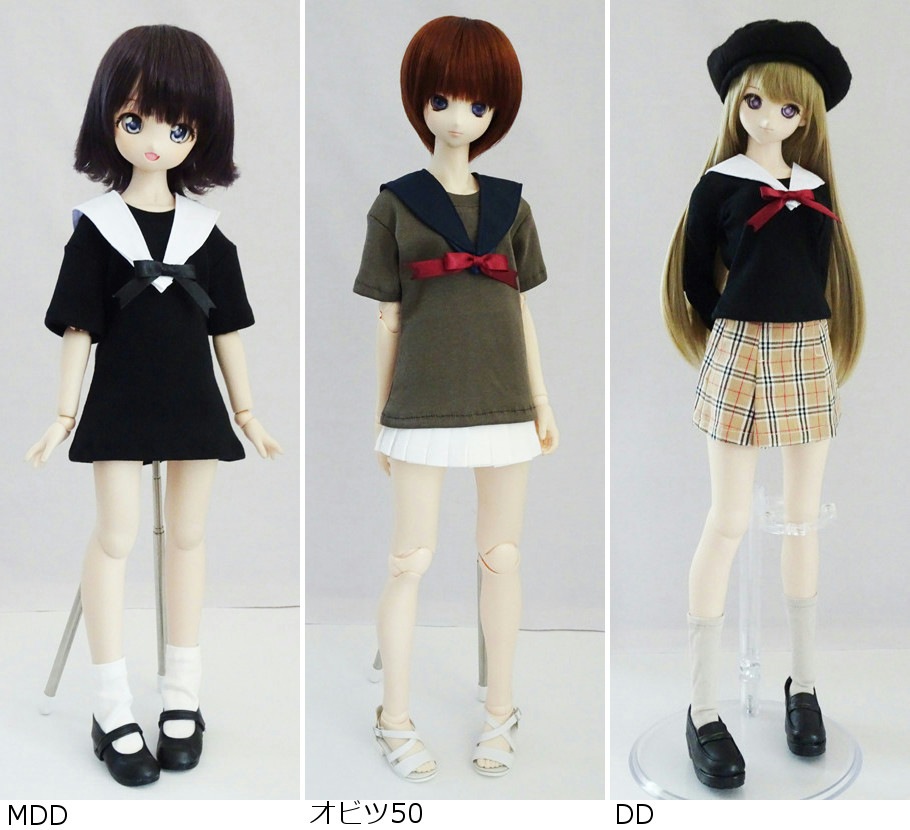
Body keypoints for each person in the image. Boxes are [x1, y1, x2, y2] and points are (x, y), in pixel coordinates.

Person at [26, 24, 281, 787]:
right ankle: (110, 704)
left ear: (199, 134)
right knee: (116, 538)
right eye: (135, 120)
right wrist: (63, 413)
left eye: (177, 127)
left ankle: (181, 695)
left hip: (193, 403)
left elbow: (227, 329)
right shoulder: (97, 231)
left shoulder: (208, 237)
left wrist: (247, 411)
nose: (154, 141)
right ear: (109, 119)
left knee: (188, 538)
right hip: (119, 403)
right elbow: (79, 327)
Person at [353, 16, 558, 781]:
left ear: (495, 110)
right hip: (423, 402)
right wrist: (383, 417)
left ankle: (501, 709)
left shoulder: (512, 206)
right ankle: (394, 716)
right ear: (421, 101)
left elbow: (520, 308)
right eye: (443, 99)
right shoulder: (396, 204)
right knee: (409, 560)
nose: (458, 118)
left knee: (502, 556)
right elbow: (387, 318)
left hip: (505, 399)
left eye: (477, 103)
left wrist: (542, 399)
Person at [661, 19, 864, 790]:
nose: (770, 118)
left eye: (787, 108)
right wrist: (729, 327)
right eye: (755, 102)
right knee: (729, 519)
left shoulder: (815, 192)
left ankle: (803, 685)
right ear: (735, 105)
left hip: (807, 352)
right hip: (741, 350)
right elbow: (694, 276)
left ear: (805, 116)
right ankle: (703, 707)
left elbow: (819, 274)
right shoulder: (718, 185)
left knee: (802, 520)